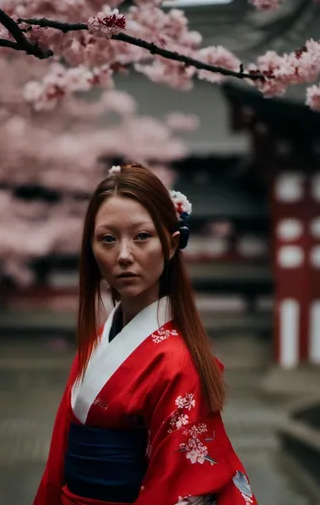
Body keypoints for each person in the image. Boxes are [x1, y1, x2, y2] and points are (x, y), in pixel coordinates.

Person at [33, 163, 257, 505]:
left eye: (142, 237)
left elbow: (178, 487)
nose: (124, 255)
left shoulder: (179, 365)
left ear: (171, 244)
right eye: (107, 239)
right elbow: (56, 466)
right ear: (91, 250)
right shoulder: (95, 345)